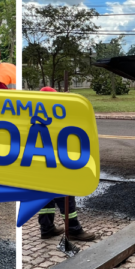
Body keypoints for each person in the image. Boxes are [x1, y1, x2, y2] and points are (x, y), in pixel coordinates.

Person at [36, 86, 96, 241]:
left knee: (45, 198)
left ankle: (47, 228)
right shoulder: (57, 117)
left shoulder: (35, 116)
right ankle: (74, 230)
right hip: (56, 165)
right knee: (65, 197)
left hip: (39, 165)